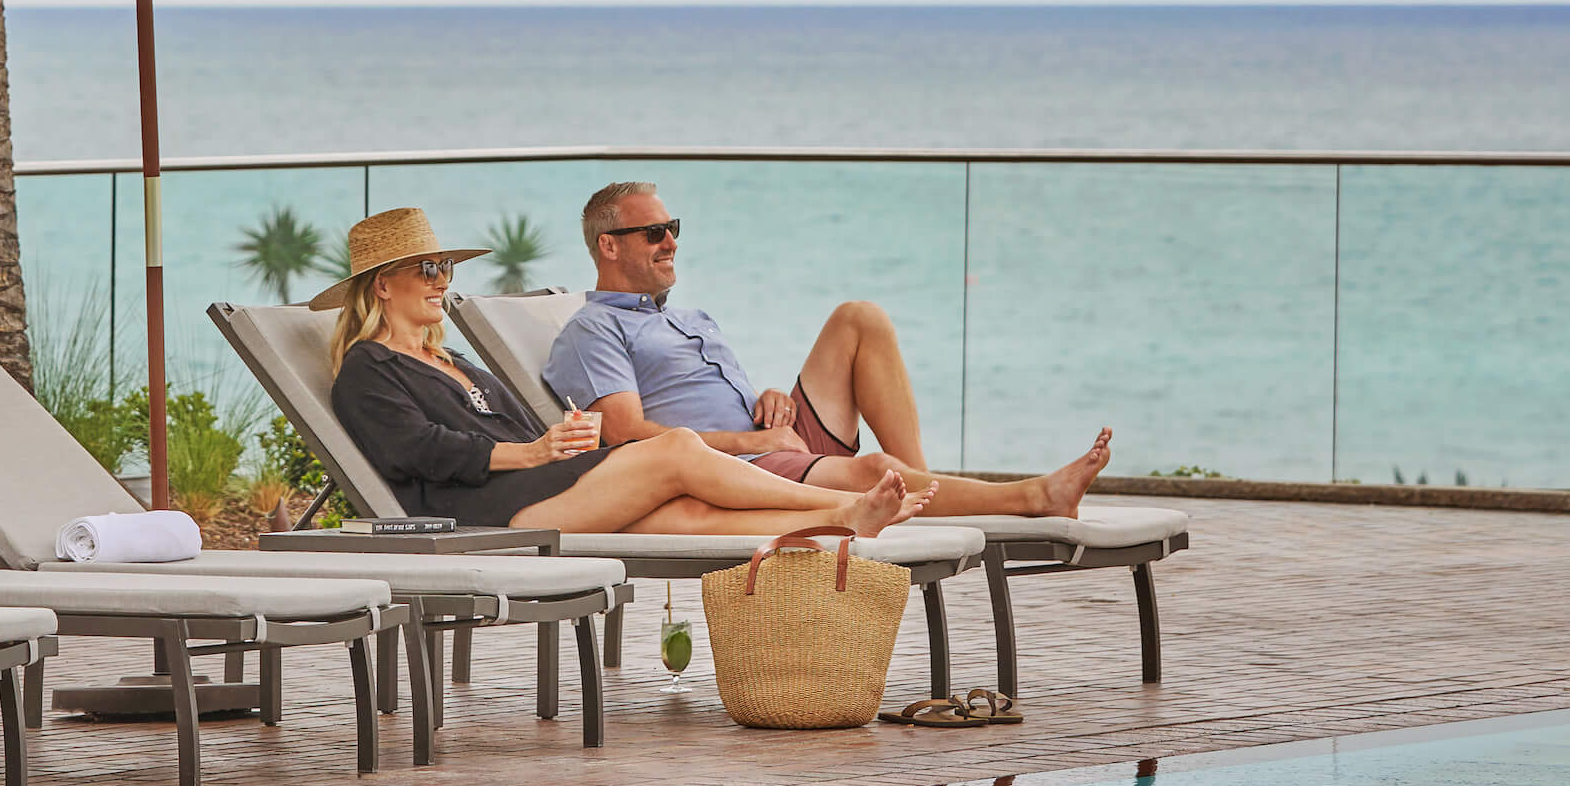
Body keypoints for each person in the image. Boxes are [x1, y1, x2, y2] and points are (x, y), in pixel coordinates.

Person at [322, 207, 934, 538]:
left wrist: (561, 440)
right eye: (427, 269)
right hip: (490, 512)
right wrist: (534, 455)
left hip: (547, 486)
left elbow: (511, 432)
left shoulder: (453, 362)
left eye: (445, 268)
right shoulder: (368, 370)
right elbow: (420, 452)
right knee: (677, 450)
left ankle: (842, 521)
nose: (442, 280)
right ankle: (839, 502)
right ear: (382, 284)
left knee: (688, 518)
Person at [542, 181, 1113, 518]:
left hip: (776, 441)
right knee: (874, 470)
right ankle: (1034, 497)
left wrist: (765, 399)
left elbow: (704, 396)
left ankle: (922, 484)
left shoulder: (691, 317)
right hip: (737, 467)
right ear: (609, 246)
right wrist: (750, 439)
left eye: (674, 227)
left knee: (858, 319)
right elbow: (621, 434)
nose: (671, 242)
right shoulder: (594, 329)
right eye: (654, 233)